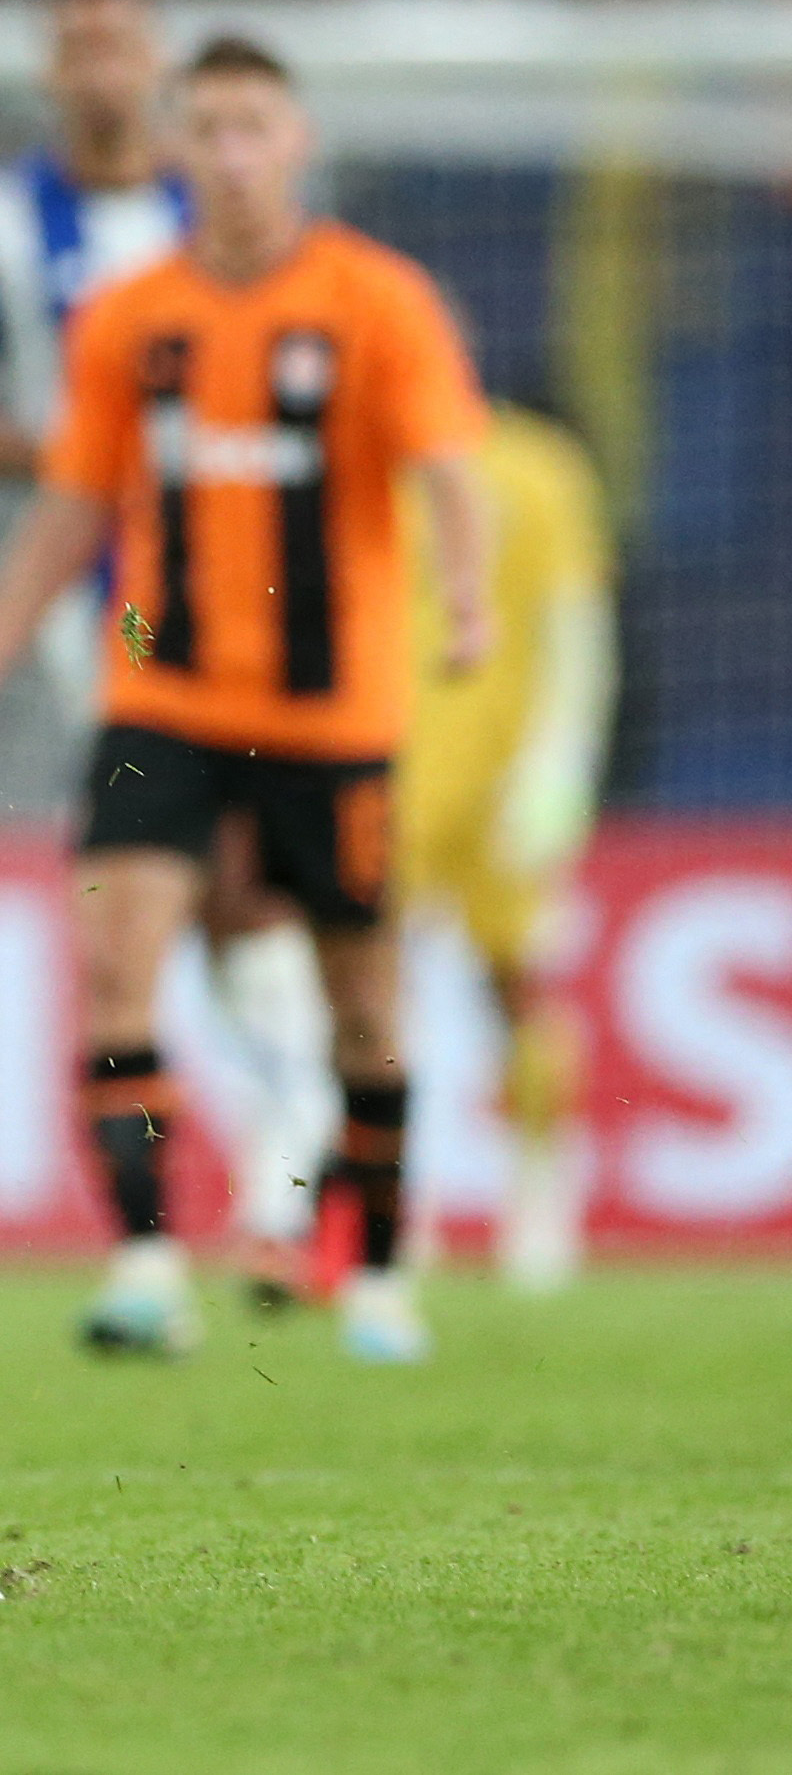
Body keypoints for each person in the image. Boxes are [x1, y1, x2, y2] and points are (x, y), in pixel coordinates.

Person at [0, 36, 493, 1367]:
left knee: (364, 1001)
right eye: (209, 130)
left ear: (297, 145)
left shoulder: (376, 301)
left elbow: (451, 464)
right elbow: (72, 501)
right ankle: (145, 1262)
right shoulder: (127, 316)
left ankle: (383, 1275)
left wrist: (469, 597)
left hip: (332, 714)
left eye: (254, 129)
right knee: (118, 966)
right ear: (180, 151)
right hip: (159, 696)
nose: (231, 153)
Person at [0, 0, 338, 1336]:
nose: (100, 66)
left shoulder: (226, 224)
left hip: (259, 612)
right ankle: (207, 1218)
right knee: (165, 898)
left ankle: (275, 1191)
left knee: (229, 899)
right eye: (76, 43)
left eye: (120, 41)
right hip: (107, 613)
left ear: (156, 63)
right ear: (52, 66)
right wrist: (96, 458)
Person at [396, 400, 615, 1294]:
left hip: (505, 777)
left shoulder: (539, 465)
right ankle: (396, 1200)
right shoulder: (367, 468)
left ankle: (543, 1187)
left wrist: (563, 766)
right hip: (387, 768)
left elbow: (578, 624)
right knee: (372, 990)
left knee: (518, 986)